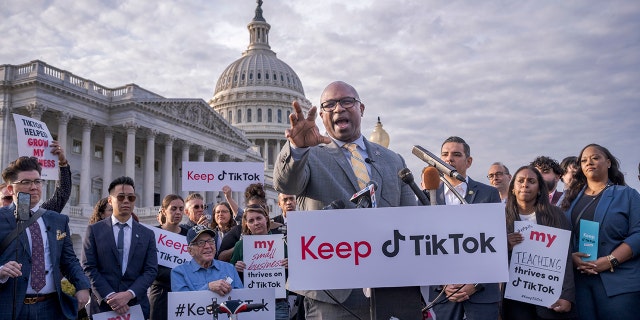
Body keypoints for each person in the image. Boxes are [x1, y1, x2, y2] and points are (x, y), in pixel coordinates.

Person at [273, 81, 418, 319]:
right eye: (329, 104)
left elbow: (411, 219)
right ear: (321, 115)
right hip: (332, 292)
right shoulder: (309, 155)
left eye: (346, 101)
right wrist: (296, 148)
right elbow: (285, 184)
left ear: (361, 109)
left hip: (390, 285)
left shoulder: (393, 160)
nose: (338, 108)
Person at [0, 156, 90, 319]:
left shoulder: (57, 220)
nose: (33, 187)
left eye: (37, 181)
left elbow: (69, 260)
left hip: (51, 308)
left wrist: (82, 286)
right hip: (10, 308)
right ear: (11, 189)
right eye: (26, 182)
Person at [426, 136, 502, 320]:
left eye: (456, 154)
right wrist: (443, 283)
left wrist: (475, 283)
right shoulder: (426, 197)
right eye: (444, 154)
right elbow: (423, 248)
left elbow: (495, 244)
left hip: (481, 296)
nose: (449, 159)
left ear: (469, 161)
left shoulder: (488, 194)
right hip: (442, 297)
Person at [561, 144, 640, 320]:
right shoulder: (569, 201)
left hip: (619, 283)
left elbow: (638, 234)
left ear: (609, 162)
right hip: (580, 284)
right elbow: (561, 237)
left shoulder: (628, 194)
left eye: (595, 157)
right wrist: (570, 257)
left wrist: (611, 260)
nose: (589, 162)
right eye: (583, 160)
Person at [503, 166, 576, 319]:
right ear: (512, 189)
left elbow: (566, 257)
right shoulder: (500, 217)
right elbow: (489, 255)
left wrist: (567, 295)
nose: (525, 185)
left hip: (549, 295)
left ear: (540, 189)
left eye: (531, 181)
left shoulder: (556, 215)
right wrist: (506, 244)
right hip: (513, 298)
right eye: (520, 181)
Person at [81, 176, 158, 319]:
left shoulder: (147, 234)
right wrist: (111, 296)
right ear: (110, 200)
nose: (126, 201)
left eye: (131, 197)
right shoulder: (94, 230)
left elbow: (150, 270)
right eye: (121, 197)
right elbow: (88, 267)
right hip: (103, 306)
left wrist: (129, 294)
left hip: (136, 305)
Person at [230, 204, 289, 320]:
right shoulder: (240, 245)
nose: (256, 223)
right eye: (251, 220)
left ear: (266, 219)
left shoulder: (282, 242)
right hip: (249, 304)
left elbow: (295, 274)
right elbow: (230, 276)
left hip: (278, 304)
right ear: (246, 224)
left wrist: (290, 265)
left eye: (258, 218)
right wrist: (235, 267)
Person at [171, 225, 242, 294]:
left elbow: (241, 298)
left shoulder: (229, 268)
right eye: (201, 243)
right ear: (190, 251)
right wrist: (208, 288)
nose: (208, 246)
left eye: (210, 241)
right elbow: (182, 303)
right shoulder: (179, 273)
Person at [149, 194, 188, 320]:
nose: (178, 212)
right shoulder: (152, 234)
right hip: (160, 292)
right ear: (164, 211)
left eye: (181, 209)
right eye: (173, 208)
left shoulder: (189, 235)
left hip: (184, 292)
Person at [217, 183, 266, 262]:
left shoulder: (279, 231)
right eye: (251, 208)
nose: (255, 211)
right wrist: (242, 245)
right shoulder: (238, 232)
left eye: (259, 208)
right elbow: (221, 258)